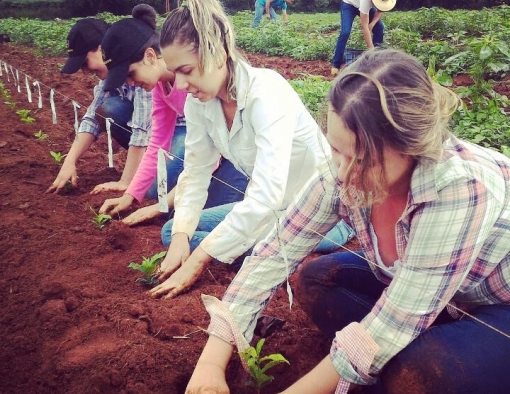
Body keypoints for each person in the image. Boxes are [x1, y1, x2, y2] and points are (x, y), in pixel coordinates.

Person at [185, 48, 510, 394]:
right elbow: (273, 254)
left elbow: (392, 323)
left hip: (495, 303)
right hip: (425, 293)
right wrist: (211, 365)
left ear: (410, 147)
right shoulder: (342, 171)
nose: (341, 173)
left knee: (422, 374)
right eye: (336, 150)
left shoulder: (461, 188)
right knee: (318, 281)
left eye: (360, 160)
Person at [149, 0, 354, 299]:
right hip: (270, 212)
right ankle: (262, 253)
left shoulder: (267, 93)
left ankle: (274, 257)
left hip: (321, 215)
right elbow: (196, 171)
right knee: (173, 233)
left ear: (217, 51)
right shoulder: (199, 103)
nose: (180, 84)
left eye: (186, 70)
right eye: (174, 72)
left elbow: (266, 194)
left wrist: (198, 259)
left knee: (212, 245)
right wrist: (182, 237)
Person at [97, 4, 248, 226]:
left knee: (190, 219)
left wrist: (163, 204)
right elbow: (158, 142)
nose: (130, 83)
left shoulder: (199, 85)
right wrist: (130, 195)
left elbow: (208, 156)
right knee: (167, 204)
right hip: (213, 154)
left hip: (236, 160)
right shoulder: (161, 88)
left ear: (150, 56)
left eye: (131, 73)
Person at [46, 18, 152, 194]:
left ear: (103, 48)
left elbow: (142, 127)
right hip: (153, 139)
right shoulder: (109, 78)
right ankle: (146, 165)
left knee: (151, 189)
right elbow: (92, 118)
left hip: (173, 138)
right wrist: (69, 161)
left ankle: (152, 167)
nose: (86, 71)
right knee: (107, 109)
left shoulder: (138, 68)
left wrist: (126, 182)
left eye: (85, 62)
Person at [330, 0, 395, 77]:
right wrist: (371, 50)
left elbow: (381, 10)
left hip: (364, 6)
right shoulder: (366, 1)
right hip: (349, 4)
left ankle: (377, 58)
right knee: (345, 33)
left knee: (379, 28)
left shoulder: (389, 1)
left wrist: (372, 24)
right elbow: (364, 27)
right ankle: (336, 65)